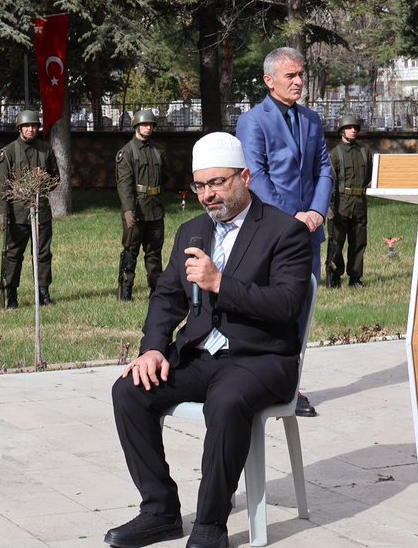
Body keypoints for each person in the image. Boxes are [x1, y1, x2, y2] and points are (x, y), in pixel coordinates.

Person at [106, 132, 312, 548]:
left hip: (261, 357)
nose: (207, 195)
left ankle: (210, 525)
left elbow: (287, 304)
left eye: (217, 182)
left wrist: (220, 283)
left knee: (227, 400)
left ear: (245, 177)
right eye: (200, 185)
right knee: (129, 390)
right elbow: (167, 296)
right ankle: (160, 511)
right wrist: (153, 348)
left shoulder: (284, 231)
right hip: (202, 354)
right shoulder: (192, 232)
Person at [237, 46, 330, 417]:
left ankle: (291, 384)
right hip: (274, 233)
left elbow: (324, 169)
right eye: (290, 75)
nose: (299, 81)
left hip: (310, 232)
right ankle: (267, 381)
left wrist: (316, 212)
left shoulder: (311, 119)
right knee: (273, 309)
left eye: (301, 74)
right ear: (269, 80)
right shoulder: (253, 121)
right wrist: (294, 217)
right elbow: (256, 176)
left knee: (302, 309)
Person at [0, 109, 60, 309]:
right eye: (27, 126)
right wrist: (2, 214)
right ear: (20, 128)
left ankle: (43, 291)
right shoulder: (8, 152)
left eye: (33, 126)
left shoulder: (45, 149)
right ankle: (12, 294)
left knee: (43, 253)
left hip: (41, 210)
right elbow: (1, 187)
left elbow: (55, 178)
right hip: (17, 213)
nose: (31, 129)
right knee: (13, 254)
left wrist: (43, 180)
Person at [115, 109, 171, 302]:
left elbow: (165, 177)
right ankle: (125, 290)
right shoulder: (127, 152)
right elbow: (124, 184)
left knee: (154, 252)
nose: (148, 128)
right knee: (130, 251)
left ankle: (156, 290)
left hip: (155, 209)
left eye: (151, 125)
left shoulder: (159, 151)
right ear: (136, 126)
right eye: (145, 124)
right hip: (136, 209)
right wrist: (128, 210)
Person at [327, 114, 372, 289]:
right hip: (340, 202)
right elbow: (329, 181)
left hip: (359, 202)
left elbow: (370, 174)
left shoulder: (365, 151)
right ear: (342, 130)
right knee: (336, 242)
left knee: (359, 242)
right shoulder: (334, 154)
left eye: (355, 128)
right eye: (348, 127)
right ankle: (334, 278)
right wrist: (329, 206)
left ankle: (355, 278)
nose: (352, 130)